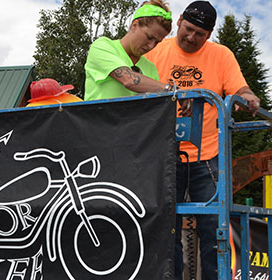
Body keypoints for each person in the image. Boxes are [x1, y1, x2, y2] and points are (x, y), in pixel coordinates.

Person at [144, 1, 260, 279]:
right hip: (164, 152)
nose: (192, 38)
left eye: (201, 34)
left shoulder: (221, 55)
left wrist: (249, 96)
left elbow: (238, 87)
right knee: (165, 226)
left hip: (206, 154)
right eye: (189, 29)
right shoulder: (157, 51)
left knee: (213, 227)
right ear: (180, 20)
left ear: (210, 34)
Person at [84, 0, 173, 101]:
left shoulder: (151, 68)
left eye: (157, 42)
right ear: (134, 25)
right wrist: (170, 89)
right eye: (149, 37)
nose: (151, 46)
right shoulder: (102, 46)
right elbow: (128, 80)